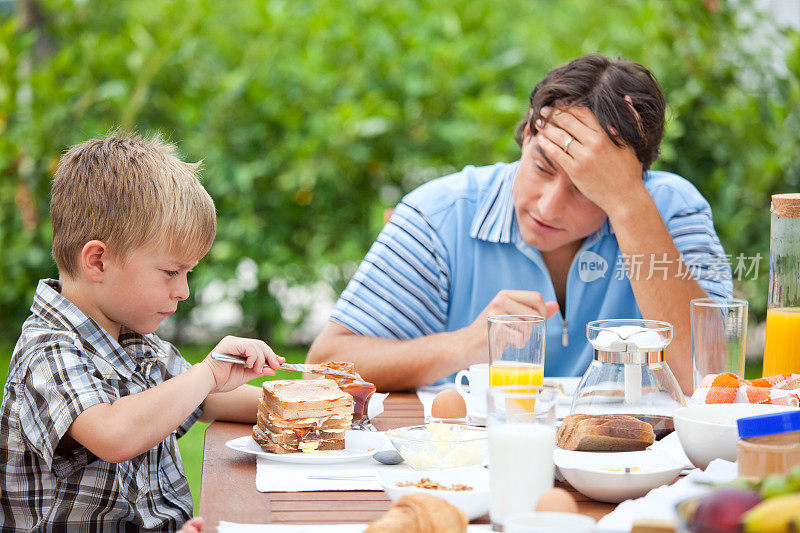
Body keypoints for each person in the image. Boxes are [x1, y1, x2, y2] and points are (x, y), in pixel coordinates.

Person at [308, 54, 733, 393]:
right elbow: (328, 361)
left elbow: (709, 381)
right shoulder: (440, 213)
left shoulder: (671, 208)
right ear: (528, 134)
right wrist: (468, 345)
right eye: (543, 168)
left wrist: (627, 204)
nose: (548, 207)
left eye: (587, 187)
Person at [0, 134, 284, 531]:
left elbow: (211, 401)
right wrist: (207, 374)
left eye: (188, 273)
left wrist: (311, 404)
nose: (183, 291)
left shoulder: (139, 345)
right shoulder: (46, 352)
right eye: (171, 272)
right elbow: (114, 434)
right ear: (97, 261)